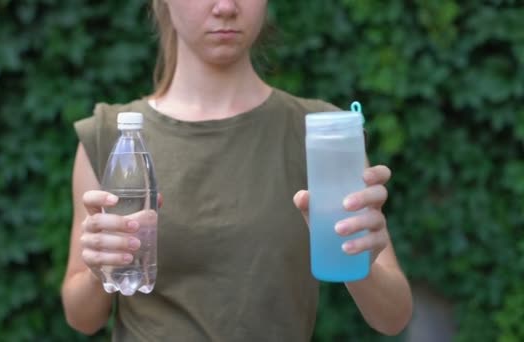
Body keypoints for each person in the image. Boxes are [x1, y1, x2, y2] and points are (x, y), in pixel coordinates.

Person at [61, 0, 413, 340]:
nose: (226, 7)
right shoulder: (113, 137)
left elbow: (393, 317)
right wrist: (99, 270)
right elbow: (82, 318)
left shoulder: (324, 135)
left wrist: (358, 259)